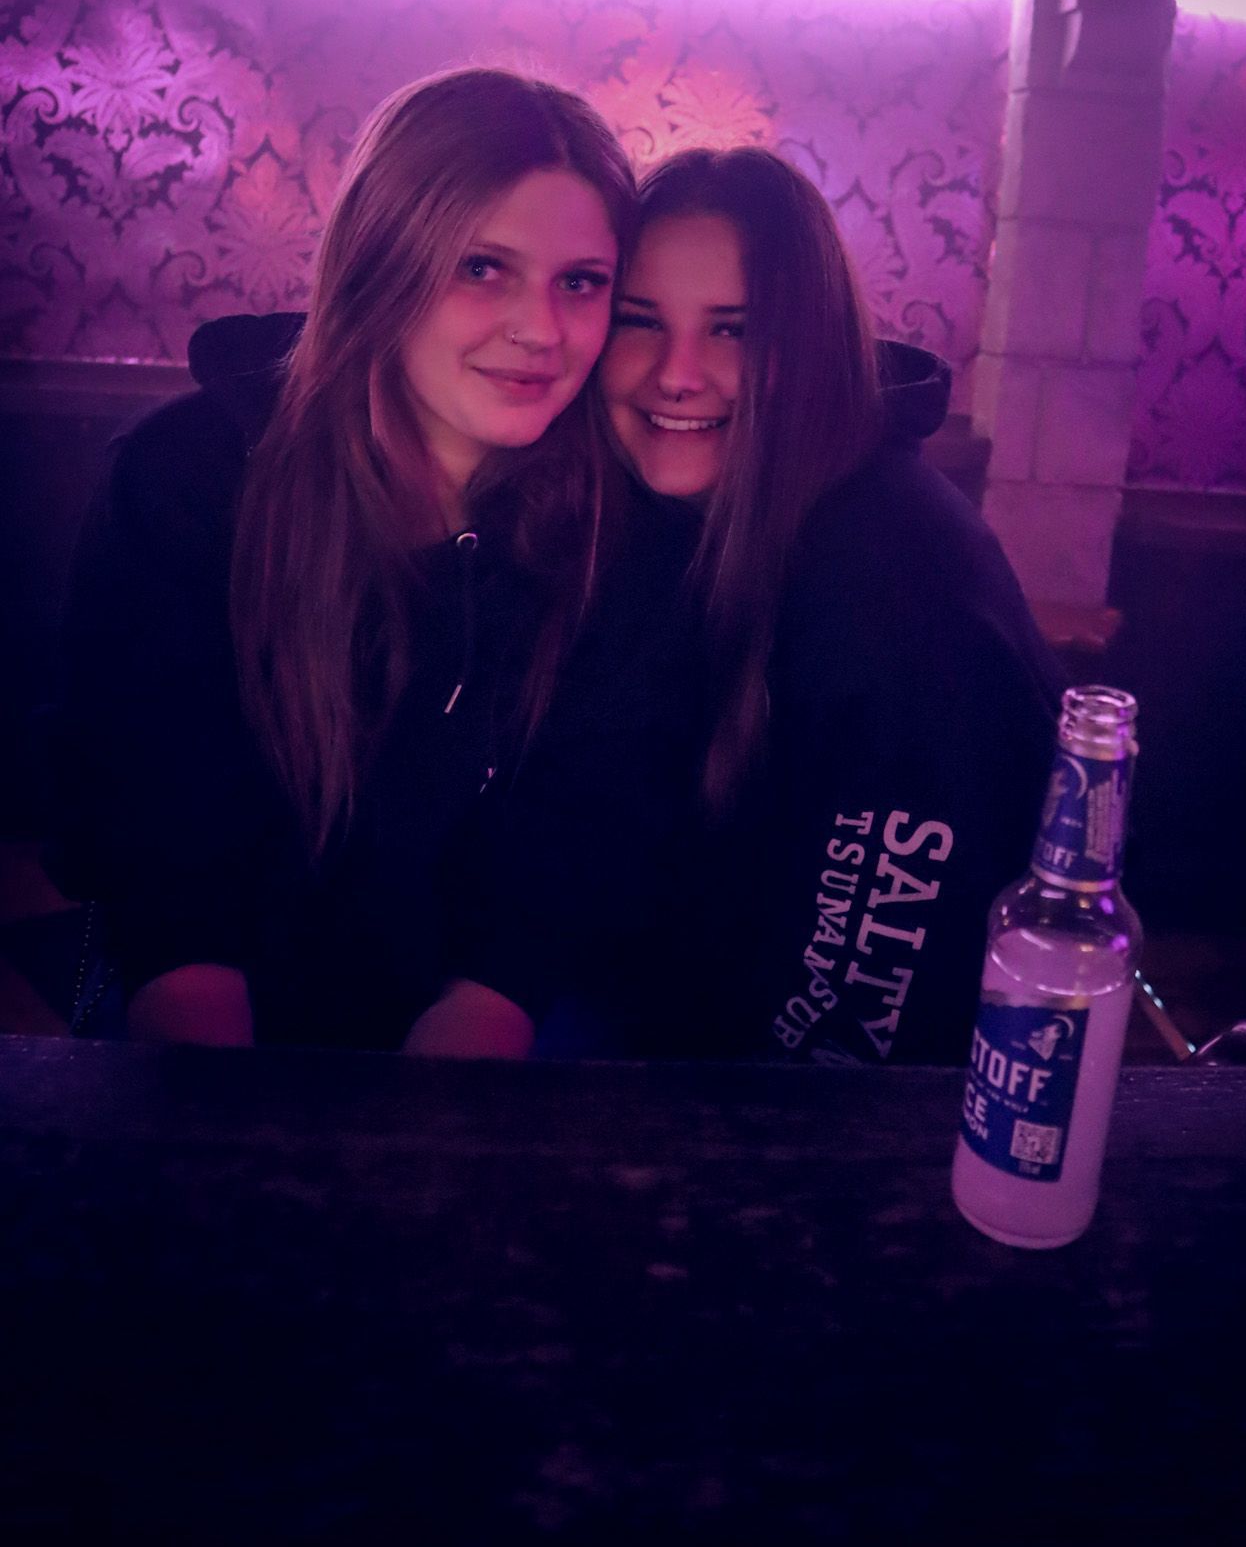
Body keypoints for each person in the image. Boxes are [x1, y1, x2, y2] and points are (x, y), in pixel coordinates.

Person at [47, 65, 652, 1054]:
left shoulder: (610, 525)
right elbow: (156, 849)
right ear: (383, 262)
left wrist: (455, 1069)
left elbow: (563, 854)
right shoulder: (188, 479)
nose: (541, 330)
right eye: (481, 267)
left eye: (579, 282)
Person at [589, 144, 1061, 1066]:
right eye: (639, 321)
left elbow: (858, 1019)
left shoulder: (890, 583)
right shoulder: (672, 522)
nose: (676, 373)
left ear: (808, 352)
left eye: (732, 331)